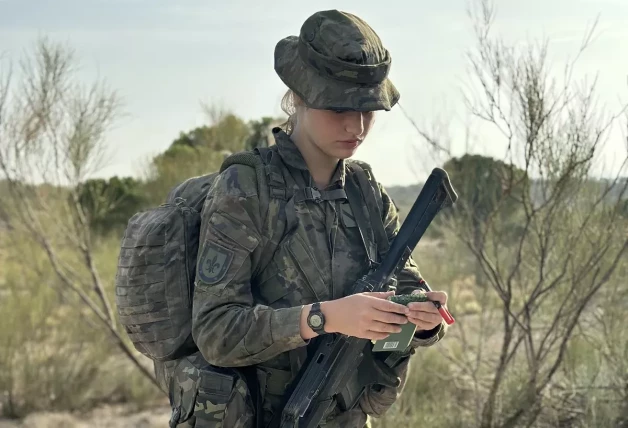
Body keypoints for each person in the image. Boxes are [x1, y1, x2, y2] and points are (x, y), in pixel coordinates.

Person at [164, 9, 451, 428]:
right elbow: (215, 332)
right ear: (298, 97)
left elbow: (405, 287)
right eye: (338, 108)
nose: (356, 126)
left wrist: (422, 320)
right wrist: (324, 317)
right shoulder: (246, 187)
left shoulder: (365, 191)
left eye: (367, 110)